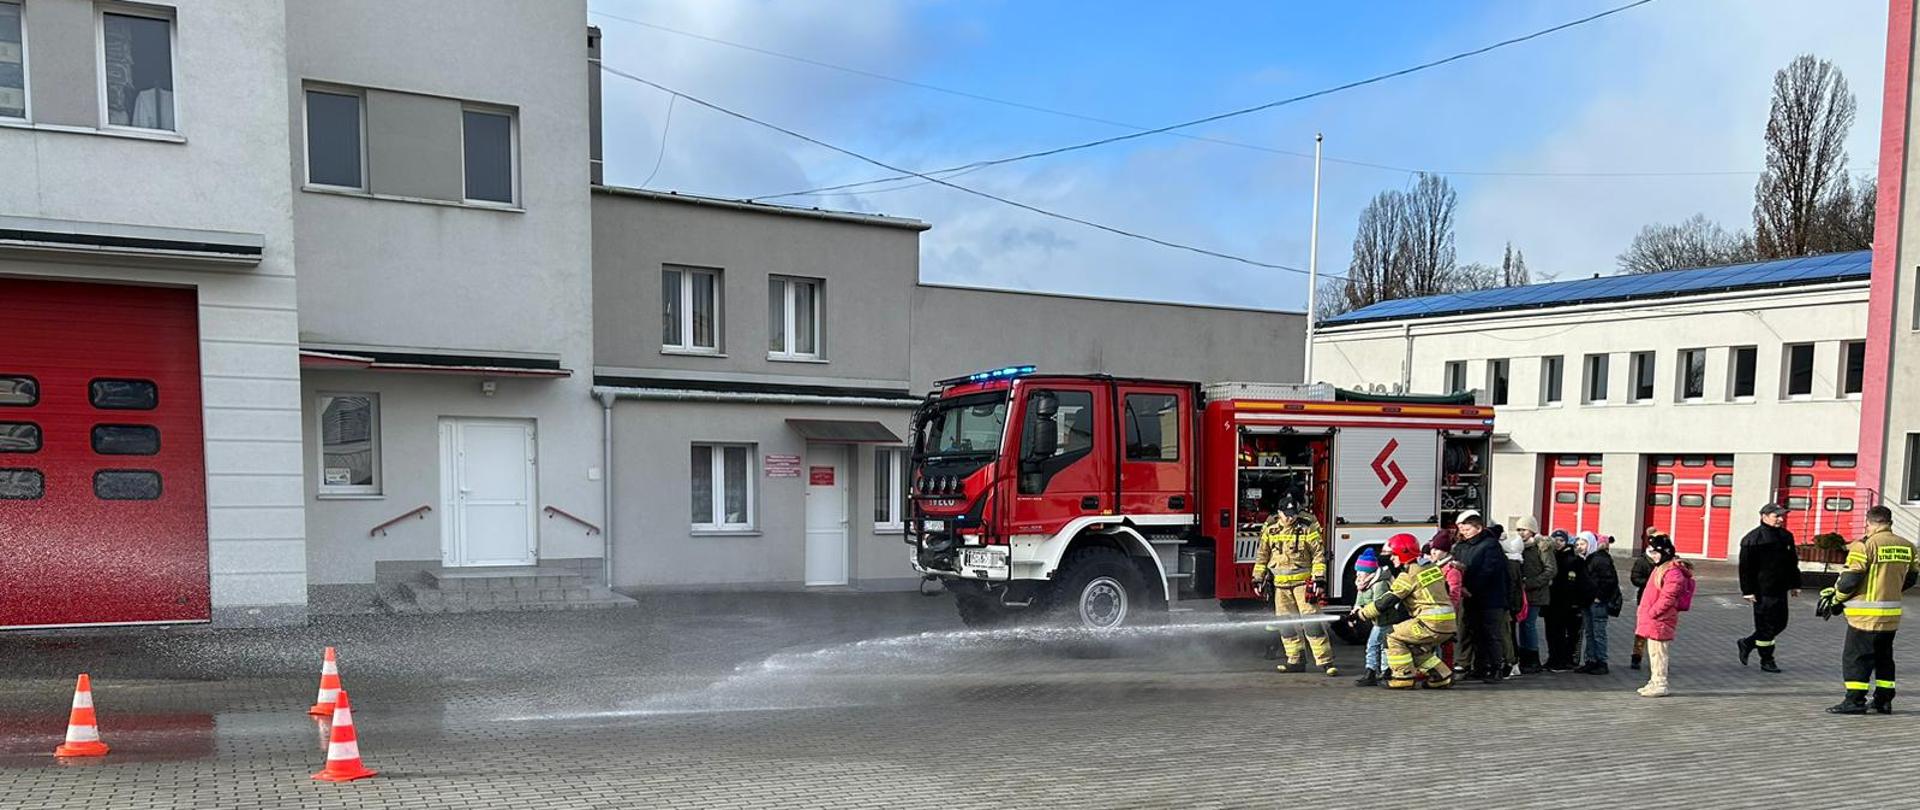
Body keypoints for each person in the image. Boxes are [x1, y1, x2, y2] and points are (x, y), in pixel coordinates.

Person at [1822, 506, 1917, 715]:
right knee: (1884, 658)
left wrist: (1836, 599)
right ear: (1890, 522)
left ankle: (1854, 701)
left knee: (1857, 658)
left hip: (1864, 616)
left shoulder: (1864, 546)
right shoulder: (1907, 546)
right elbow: (1911, 578)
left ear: (1869, 523)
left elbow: (1850, 580)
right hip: (1891, 616)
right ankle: (1883, 700)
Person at [1347, 532, 1457, 690]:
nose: (1391, 558)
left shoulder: (1408, 575)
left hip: (1430, 623)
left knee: (1390, 635)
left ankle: (1403, 676)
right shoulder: (1431, 567)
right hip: (1448, 623)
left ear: (1403, 553)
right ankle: (1442, 675)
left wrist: (1361, 614)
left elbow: (1386, 601)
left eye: (1394, 555)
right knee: (1412, 645)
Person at [1251, 505, 1338, 676]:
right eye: (1287, 515)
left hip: (1302, 585)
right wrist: (1257, 579)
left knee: (1312, 624)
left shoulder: (1307, 528)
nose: (1290, 518)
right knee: (1286, 626)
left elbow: (1318, 556)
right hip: (1280, 587)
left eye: (1293, 515)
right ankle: (1295, 660)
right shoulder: (1270, 530)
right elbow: (1262, 557)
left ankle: (1326, 662)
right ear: (1279, 513)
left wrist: (1319, 579)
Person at [1737, 503, 1803, 674]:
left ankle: (1748, 643)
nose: (1781, 519)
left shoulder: (1786, 536)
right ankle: (1767, 659)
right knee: (1766, 626)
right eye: (1776, 516)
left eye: (1782, 516)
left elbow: (1792, 562)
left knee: (1780, 624)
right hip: (1762, 591)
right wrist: (1747, 591)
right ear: (1764, 517)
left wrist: (1795, 584)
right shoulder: (1753, 539)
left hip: (1780, 588)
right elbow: (1745, 568)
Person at [1634, 534, 1694, 698]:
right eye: (1651, 552)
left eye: (1655, 553)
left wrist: (1653, 612)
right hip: (1653, 619)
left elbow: (1668, 597)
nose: (1652, 556)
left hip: (1660, 619)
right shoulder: (1660, 568)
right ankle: (1654, 681)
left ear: (1665, 552)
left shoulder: (1672, 572)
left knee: (1659, 653)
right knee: (1653, 653)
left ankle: (1660, 683)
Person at [1452, 512, 1509, 684]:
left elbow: (1488, 571)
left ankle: (1495, 668)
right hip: (1470, 597)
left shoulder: (1490, 545)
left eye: (1468, 528)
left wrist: (1470, 587)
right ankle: (1479, 667)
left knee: (1491, 634)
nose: (1464, 531)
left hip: (1490, 598)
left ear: (1478, 528)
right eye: (1462, 528)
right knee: (1473, 632)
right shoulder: (1461, 546)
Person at [1515, 516, 1556, 674]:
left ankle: (1533, 659)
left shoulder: (1542, 546)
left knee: (1529, 624)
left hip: (1537, 593)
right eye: (1519, 530)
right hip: (1523, 593)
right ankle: (1524, 657)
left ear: (1532, 530)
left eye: (1524, 530)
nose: (1521, 533)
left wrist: (1532, 582)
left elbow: (1551, 570)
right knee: (1522, 624)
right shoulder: (1518, 547)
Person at [1577, 532, 1622, 675]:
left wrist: (1599, 597)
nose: (1580, 547)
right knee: (1589, 633)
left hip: (1598, 603)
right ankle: (1591, 660)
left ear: (1591, 544)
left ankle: (1601, 662)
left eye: (1583, 544)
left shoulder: (1599, 559)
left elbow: (1609, 580)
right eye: (1578, 544)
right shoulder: (1585, 559)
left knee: (1598, 633)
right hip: (1586, 601)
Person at [1545, 529, 1588, 672]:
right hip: (1551, 602)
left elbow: (1579, 582)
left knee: (1564, 632)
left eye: (1561, 540)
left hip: (1566, 603)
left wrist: (1576, 602)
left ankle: (1563, 660)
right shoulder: (1550, 556)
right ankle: (1553, 658)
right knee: (1551, 632)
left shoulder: (1574, 559)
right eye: (1555, 540)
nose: (1558, 543)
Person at [1352, 548, 1392, 687]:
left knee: (1374, 645)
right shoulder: (1363, 584)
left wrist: (1361, 614)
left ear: (1369, 572)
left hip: (1386, 620)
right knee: (1381, 645)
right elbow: (1359, 602)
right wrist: (1354, 613)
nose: (1357, 574)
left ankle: (1374, 672)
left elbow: (1378, 606)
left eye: (1360, 571)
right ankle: (1383, 672)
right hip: (1378, 621)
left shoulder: (1379, 584)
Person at [1628, 530, 1668, 671]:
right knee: (1642, 630)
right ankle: (1636, 656)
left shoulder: (1667, 560)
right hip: (1645, 600)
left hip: (1661, 601)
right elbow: (1635, 578)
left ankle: (1658, 661)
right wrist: (1650, 584)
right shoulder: (1642, 561)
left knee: (1659, 632)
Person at [1498, 525, 1527, 678]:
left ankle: (1511, 663)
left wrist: (1508, 606)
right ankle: (1514, 664)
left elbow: (1511, 588)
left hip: (1509, 606)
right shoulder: (1517, 563)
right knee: (1511, 635)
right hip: (1514, 605)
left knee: (1507, 636)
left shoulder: (1510, 564)